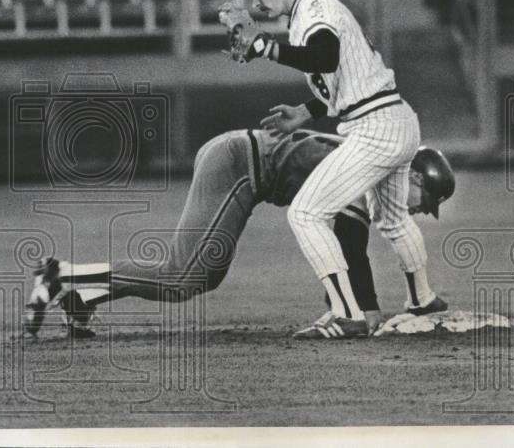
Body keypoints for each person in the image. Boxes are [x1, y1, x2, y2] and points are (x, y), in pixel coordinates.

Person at [23, 128, 455, 339]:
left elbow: (345, 240)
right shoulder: (371, 170)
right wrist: (365, 310)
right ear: (412, 174)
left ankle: (84, 295)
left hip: (242, 166)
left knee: (200, 277)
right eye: (425, 197)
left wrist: (355, 307)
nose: (421, 208)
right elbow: (350, 247)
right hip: (237, 165)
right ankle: (61, 274)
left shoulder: (373, 166)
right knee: (182, 277)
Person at [222, 0, 445, 340]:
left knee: (306, 214)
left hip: (375, 129)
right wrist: (305, 113)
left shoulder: (313, 9)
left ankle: (347, 313)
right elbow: (343, 79)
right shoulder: (311, 10)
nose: (254, 2)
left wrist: (264, 47)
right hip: (395, 119)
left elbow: (324, 55)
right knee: (392, 219)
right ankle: (422, 298)